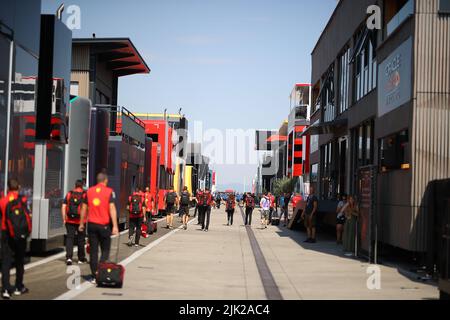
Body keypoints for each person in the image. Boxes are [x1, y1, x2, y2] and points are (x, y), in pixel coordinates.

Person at [79, 172, 119, 284]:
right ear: (105, 180)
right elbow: (112, 208)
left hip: (91, 225)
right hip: (104, 226)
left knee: (93, 251)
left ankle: (93, 274)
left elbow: (83, 208)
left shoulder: (89, 191)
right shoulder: (109, 191)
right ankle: (101, 270)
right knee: (105, 250)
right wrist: (115, 226)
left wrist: (81, 223)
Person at [1, 178, 32, 299]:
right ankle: (19, 286)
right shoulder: (22, 200)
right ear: (18, 187)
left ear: (8, 188)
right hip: (20, 235)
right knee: (19, 260)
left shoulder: (2, 201)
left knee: (6, 262)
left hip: (6, 233)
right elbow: (27, 216)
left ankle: (6, 289)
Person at [61, 180, 88, 266]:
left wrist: (64, 218)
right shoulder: (84, 194)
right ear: (82, 186)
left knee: (70, 238)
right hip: (81, 220)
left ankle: (69, 258)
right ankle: (81, 258)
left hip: (69, 220)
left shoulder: (69, 194)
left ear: (75, 185)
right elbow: (87, 207)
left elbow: (63, 206)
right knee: (81, 239)